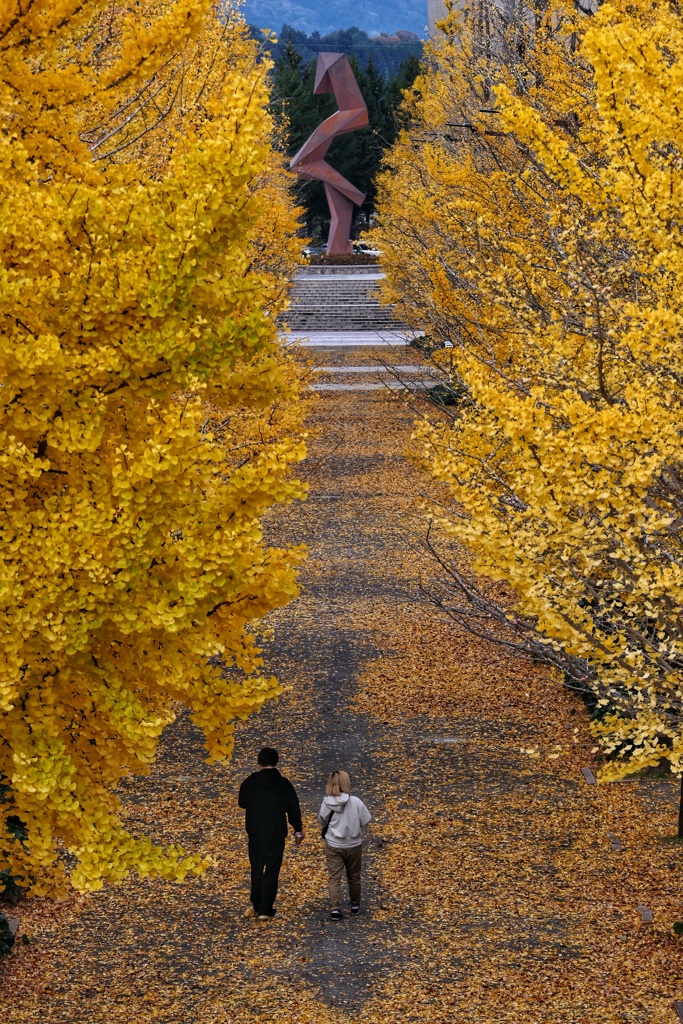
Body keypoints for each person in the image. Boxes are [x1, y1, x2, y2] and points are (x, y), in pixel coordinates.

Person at [238, 747, 303, 920]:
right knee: (272, 869)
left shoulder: (250, 782)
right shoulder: (283, 784)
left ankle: (257, 904)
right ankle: (266, 908)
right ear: (276, 763)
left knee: (257, 867)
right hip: (276, 831)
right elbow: (293, 809)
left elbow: (242, 803)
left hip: (256, 832)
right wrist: (298, 828)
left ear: (259, 763)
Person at [318, 769, 371, 920]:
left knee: (334, 877)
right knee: (354, 876)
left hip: (334, 844)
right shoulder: (355, 802)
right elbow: (366, 820)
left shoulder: (326, 802)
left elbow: (322, 820)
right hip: (353, 844)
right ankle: (355, 905)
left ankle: (335, 908)